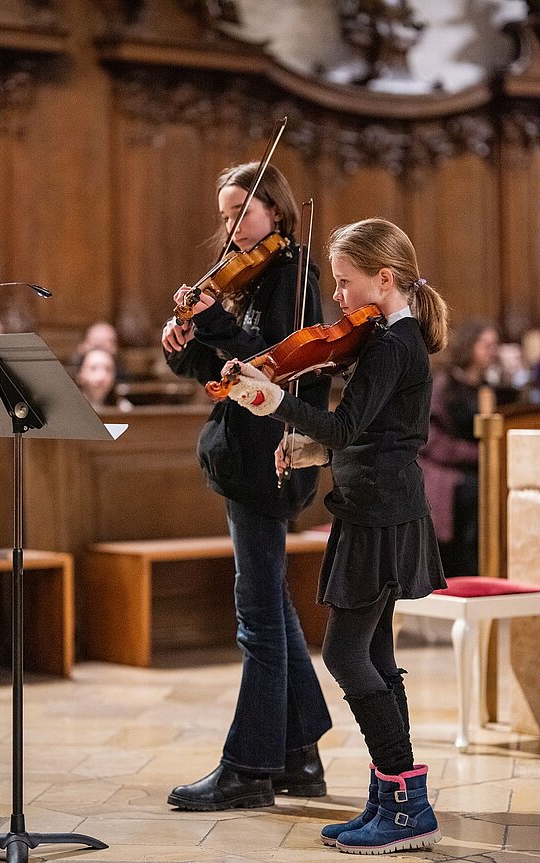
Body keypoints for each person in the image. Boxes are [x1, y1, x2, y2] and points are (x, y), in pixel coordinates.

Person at [220, 217, 448, 854]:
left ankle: (407, 803)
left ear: (384, 278)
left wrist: (272, 402)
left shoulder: (394, 344)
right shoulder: (388, 340)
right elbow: (374, 435)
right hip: (377, 506)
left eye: (346, 283)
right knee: (372, 656)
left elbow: (349, 429)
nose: (339, 297)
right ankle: (391, 795)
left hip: (380, 515)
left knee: (347, 657)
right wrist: (308, 448)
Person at [161, 161, 332, 811]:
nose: (230, 225)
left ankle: (249, 768)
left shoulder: (292, 276)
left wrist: (213, 323)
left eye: (242, 211)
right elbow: (225, 369)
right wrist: (184, 342)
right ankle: (299, 755)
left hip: (269, 461)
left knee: (257, 617)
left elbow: (273, 367)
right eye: (225, 213)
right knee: (271, 610)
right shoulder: (254, 279)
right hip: (246, 456)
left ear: (277, 214)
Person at [419, 319, 499, 578]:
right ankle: (467, 573)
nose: (491, 351)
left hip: (480, 466)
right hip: (444, 472)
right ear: (469, 346)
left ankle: (490, 569)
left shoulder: (488, 389)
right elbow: (432, 440)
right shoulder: (444, 385)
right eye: (485, 345)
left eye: (494, 345)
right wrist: (480, 455)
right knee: (476, 492)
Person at [76, 347, 132, 413]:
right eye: (93, 368)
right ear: (80, 374)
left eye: (108, 369)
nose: (101, 376)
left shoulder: (124, 408)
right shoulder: (70, 406)